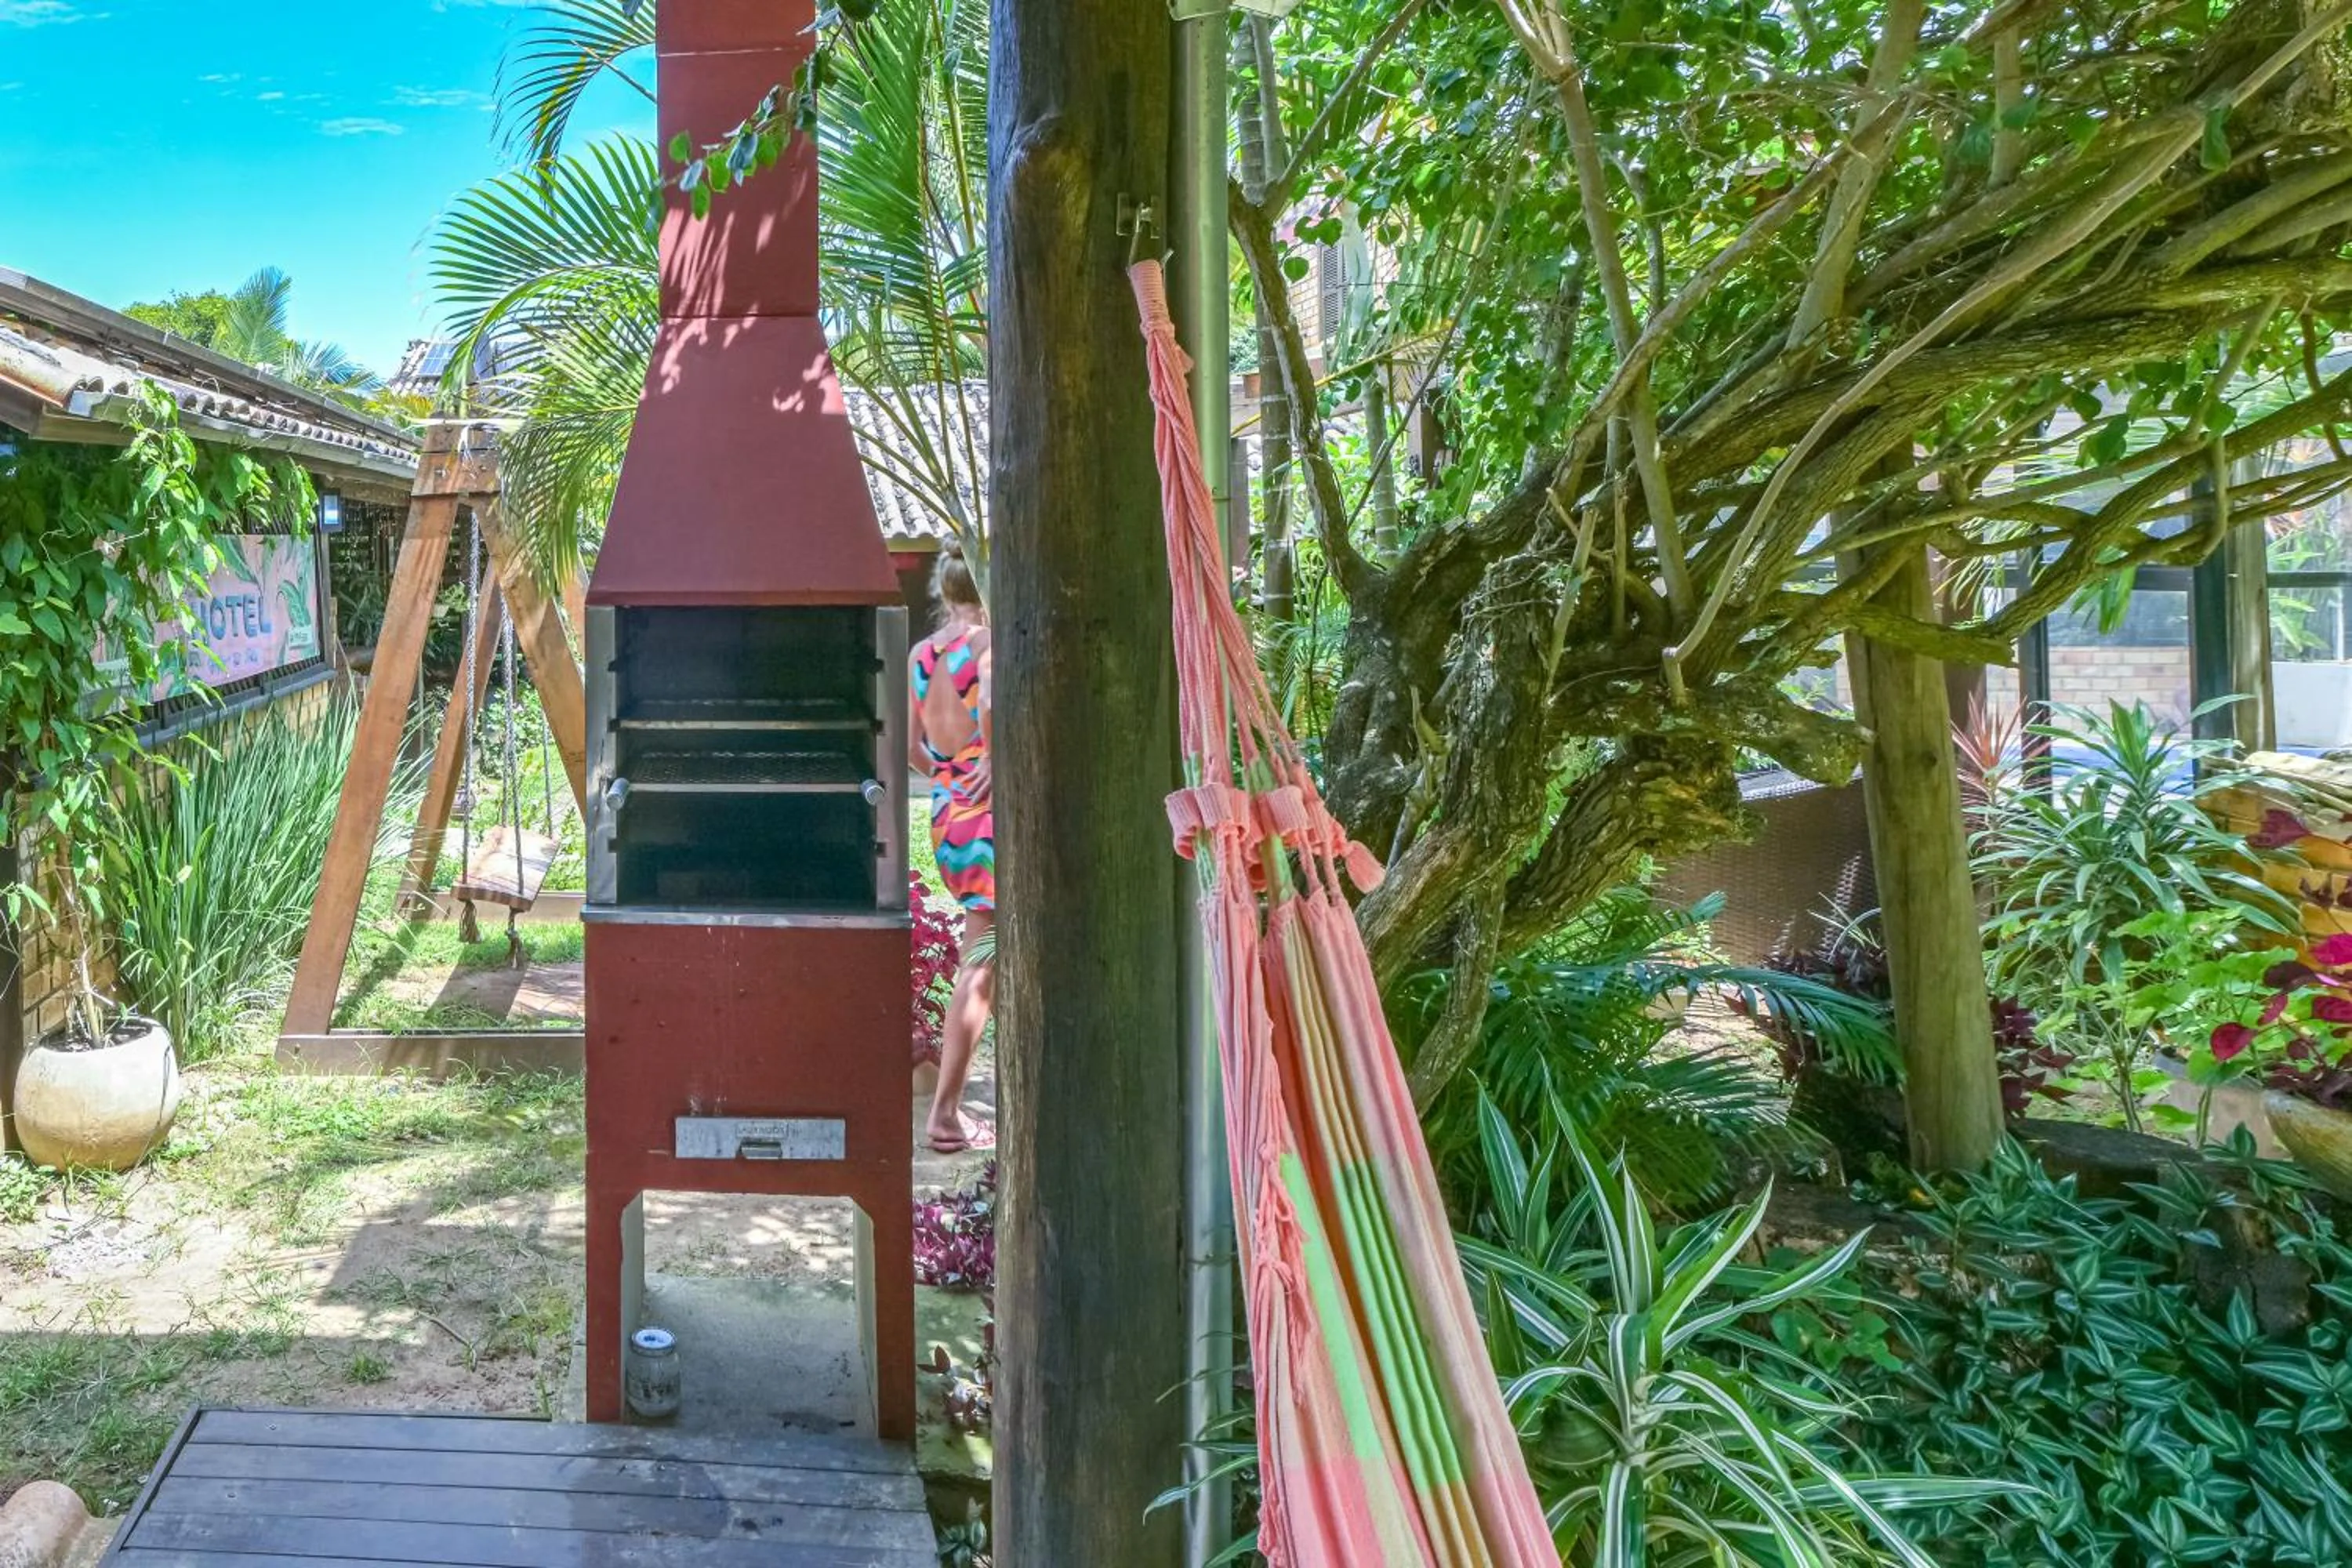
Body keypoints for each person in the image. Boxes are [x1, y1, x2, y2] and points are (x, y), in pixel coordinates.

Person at [909, 541, 995, 1153]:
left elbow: (909, 744)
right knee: (982, 962)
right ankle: (945, 1114)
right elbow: (988, 702)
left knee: (985, 953)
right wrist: (992, 757)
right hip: (986, 817)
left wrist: (948, 776)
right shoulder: (986, 645)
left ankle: (951, 1108)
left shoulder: (923, 654)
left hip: (947, 817)